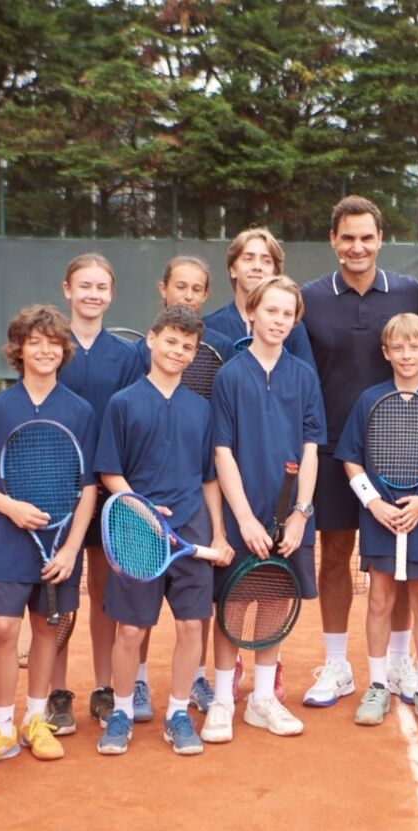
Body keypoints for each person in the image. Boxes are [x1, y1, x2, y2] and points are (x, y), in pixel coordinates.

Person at [300, 197, 418, 708]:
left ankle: (399, 660)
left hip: (401, 453)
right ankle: (337, 664)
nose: (357, 247)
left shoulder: (409, 293)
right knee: (333, 555)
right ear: (333, 240)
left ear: (381, 239)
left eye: (366, 237)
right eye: (347, 237)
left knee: (396, 559)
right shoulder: (308, 298)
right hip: (333, 450)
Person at [0, 305, 99, 766]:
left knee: (47, 628)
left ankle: (35, 720)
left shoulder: (80, 411)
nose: (44, 350)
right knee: (2, 629)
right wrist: (13, 508)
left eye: (53, 342)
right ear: (18, 350)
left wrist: (72, 548)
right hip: (7, 537)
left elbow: (88, 488)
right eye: (34, 342)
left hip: (61, 542)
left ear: (64, 350)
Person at [94, 306, 233, 757]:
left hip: (191, 530)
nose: (178, 351)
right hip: (138, 532)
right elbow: (110, 473)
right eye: (171, 341)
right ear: (151, 340)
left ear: (194, 356)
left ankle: (177, 712)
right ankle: (119, 709)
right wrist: (143, 511)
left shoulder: (201, 408)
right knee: (131, 631)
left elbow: (208, 478)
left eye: (187, 347)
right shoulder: (123, 403)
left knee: (192, 625)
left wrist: (218, 535)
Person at [203, 275, 324, 743]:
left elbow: (311, 448)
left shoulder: (304, 376)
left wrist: (301, 513)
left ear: (296, 321)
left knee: (276, 600)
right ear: (252, 311)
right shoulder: (230, 375)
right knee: (231, 606)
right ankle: (220, 699)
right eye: (270, 311)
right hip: (242, 515)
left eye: (287, 314)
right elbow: (222, 452)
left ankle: (263, 700)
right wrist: (246, 520)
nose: (278, 320)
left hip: (289, 515)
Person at [126, 257, 240, 717]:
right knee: (140, 609)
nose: (188, 295)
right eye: (180, 286)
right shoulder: (142, 355)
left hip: (195, 493)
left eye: (197, 289)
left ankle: (193, 680)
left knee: (195, 609)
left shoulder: (220, 349)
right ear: (163, 288)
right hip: (143, 500)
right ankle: (134, 684)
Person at [335, 313, 418, 730]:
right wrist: (375, 505)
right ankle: (377, 686)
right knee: (379, 600)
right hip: (380, 519)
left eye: (415, 347)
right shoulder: (370, 399)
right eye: (398, 348)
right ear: (386, 353)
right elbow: (351, 460)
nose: (407, 355)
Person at [52, 254, 144, 734]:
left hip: (110, 489)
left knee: (106, 591)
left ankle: (104, 688)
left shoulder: (127, 357)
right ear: (67, 289)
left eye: (101, 286)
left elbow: (128, 421)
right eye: (84, 285)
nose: (93, 294)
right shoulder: (49, 347)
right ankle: (57, 692)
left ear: (111, 294)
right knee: (60, 595)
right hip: (57, 491)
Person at [202, 228, 316, 369]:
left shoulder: (293, 328)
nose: (257, 267)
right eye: (248, 259)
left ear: (275, 273)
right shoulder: (209, 326)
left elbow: (306, 383)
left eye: (266, 261)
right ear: (232, 269)